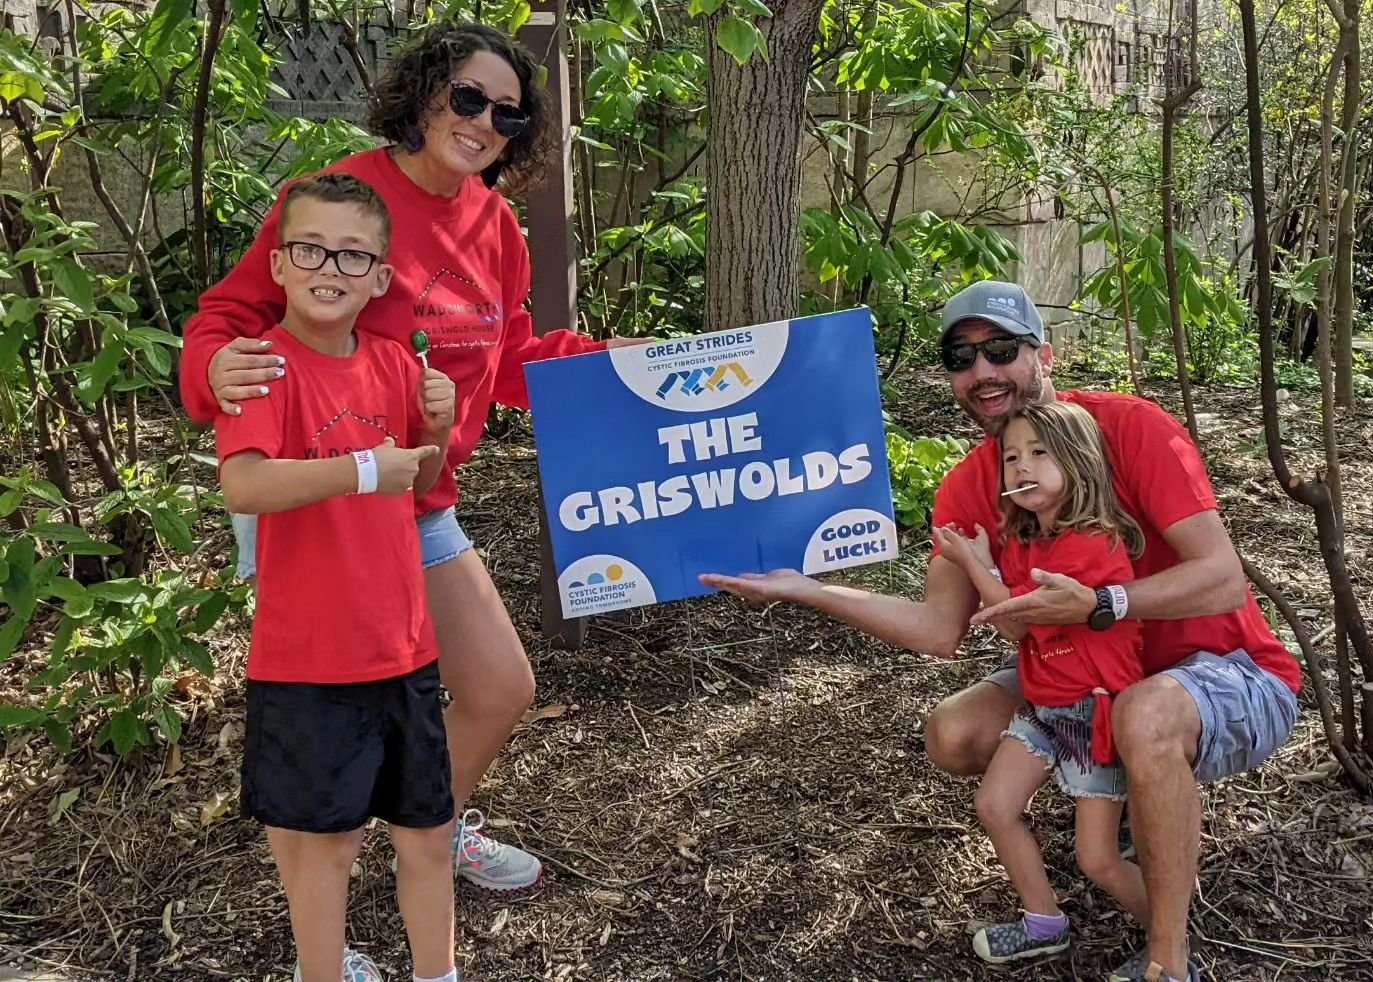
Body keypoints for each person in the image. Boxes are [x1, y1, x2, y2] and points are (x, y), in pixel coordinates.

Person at [700, 280, 1302, 982]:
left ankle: (1169, 960)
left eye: (1001, 351)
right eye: (962, 358)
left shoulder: (1130, 427)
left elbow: (1224, 578)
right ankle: (1094, 825)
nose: (982, 372)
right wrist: (803, 589)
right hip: (1086, 674)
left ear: (1042, 355)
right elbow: (936, 629)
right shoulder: (967, 487)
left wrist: (1100, 604)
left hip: (1229, 671)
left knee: (1144, 715)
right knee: (953, 732)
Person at [181, 22, 642, 894]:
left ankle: (426, 837)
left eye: (506, 114)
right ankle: (323, 938)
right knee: (337, 725)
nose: (481, 122)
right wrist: (210, 366)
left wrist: (614, 368)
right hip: (317, 504)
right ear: (426, 93)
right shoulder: (343, 197)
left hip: (418, 497)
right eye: (466, 97)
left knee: (499, 687)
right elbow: (229, 314)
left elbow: (504, 360)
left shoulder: (496, 223)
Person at [215, 173, 458, 982]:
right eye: (311, 248)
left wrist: (439, 423)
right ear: (279, 264)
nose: (332, 268)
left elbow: (416, 484)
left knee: (427, 833)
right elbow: (245, 485)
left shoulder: (392, 361)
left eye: (355, 255)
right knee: (330, 848)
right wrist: (360, 468)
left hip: (404, 649)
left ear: (381, 278)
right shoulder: (259, 365)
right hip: (308, 660)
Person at [934, 401, 1147, 965]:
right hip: (1045, 703)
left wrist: (975, 563)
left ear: (1077, 463)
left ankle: (1168, 936)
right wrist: (991, 568)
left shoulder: (1093, 542)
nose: (1021, 467)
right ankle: (1044, 920)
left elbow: (1024, 614)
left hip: (1090, 714)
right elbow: (1012, 627)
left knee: (1097, 858)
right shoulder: (1028, 544)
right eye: (1011, 457)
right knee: (995, 806)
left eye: (1038, 453)